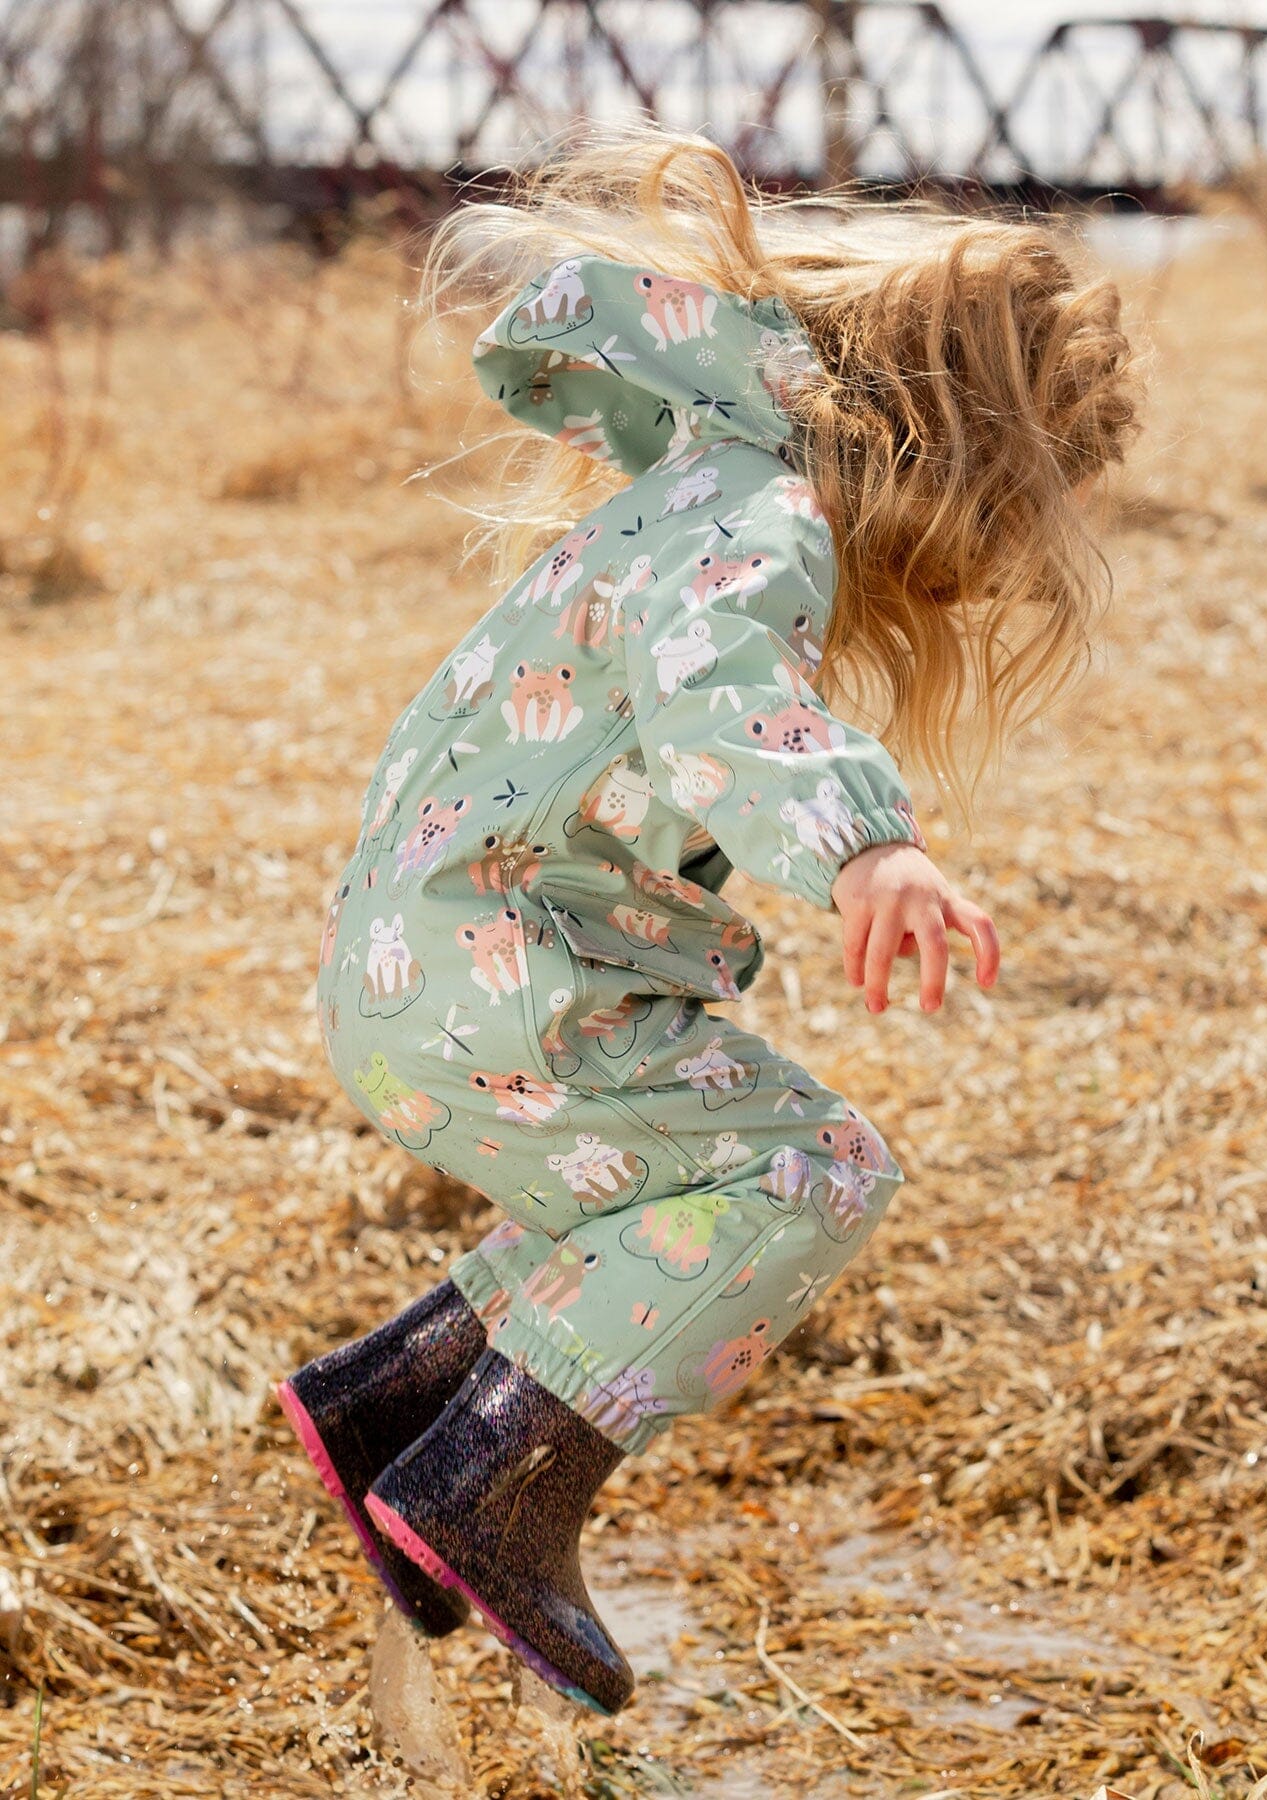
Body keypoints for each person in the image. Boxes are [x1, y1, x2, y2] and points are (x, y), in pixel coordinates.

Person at [275, 122, 1138, 1716]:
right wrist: (864, 849)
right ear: (950, 453)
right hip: (506, 974)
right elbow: (719, 700)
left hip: (428, 974)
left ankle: (397, 1393)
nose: (992, 570)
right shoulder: (758, 516)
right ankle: (492, 1487)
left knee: (653, 1192)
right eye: (1012, 520)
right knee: (812, 1168)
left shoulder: (699, 487)